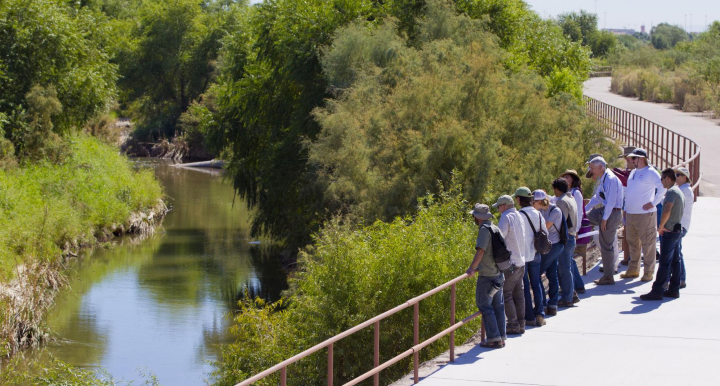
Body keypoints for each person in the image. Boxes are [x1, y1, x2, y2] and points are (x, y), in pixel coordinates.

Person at [620, 148, 666, 282]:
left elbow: (662, 186)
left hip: (645, 214)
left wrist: (654, 202)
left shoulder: (651, 172)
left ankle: (648, 272)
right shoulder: (633, 172)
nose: (631, 160)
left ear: (642, 158)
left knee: (648, 243)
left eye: (634, 158)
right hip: (631, 214)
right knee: (633, 243)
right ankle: (633, 269)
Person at [640, 169, 685, 300]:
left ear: (668, 179)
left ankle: (657, 290)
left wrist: (661, 226)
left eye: (662, 178)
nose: (661, 181)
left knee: (665, 262)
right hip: (676, 230)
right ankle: (674, 289)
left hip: (669, 232)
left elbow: (667, 209)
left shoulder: (671, 192)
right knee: (675, 262)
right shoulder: (678, 191)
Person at [465, 203, 506, 347]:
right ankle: (501, 337)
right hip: (498, 274)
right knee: (498, 306)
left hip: (487, 276)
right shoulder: (494, 227)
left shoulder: (484, 230)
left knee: (484, 305)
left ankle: (494, 338)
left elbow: (480, 251)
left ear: (477, 217)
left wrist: (471, 268)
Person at [585, 155, 624, 285]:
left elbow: (611, 201)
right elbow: (597, 198)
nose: (591, 171)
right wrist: (583, 211)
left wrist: (604, 219)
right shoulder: (604, 178)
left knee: (606, 245)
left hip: (611, 214)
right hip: (605, 212)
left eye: (592, 168)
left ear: (601, 167)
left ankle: (608, 276)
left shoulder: (611, 179)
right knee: (583, 218)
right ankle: (577, 241)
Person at [514, 187, 549, 327]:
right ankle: (540, 313)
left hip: (523, 255)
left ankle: (529, 316)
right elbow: (544, 231)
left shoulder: (518, 215)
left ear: (519, 199)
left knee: (525, 286)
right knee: (536, 283)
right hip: (536, 252)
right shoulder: (537, 213)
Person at [494, 195, 527, 334]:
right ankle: (521, 323)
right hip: (521, 261)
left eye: (499, 206)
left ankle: (513, 324)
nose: (498, 209)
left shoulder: (506, 217)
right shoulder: (519, 215)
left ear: (504, 206)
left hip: (511, 263)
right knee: (519, 294)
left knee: (506, 294)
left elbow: (499, 237)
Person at [531, 190, 564, 316]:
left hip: (554, 245)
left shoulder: (555, 211)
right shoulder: (540, 210)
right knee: (552, 273)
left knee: (537, 273)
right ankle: (552, 305)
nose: (531, 204)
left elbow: (544, 227)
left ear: (539, 201)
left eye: (533, 202)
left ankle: (544, 305)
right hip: (547, 246)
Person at [552, 178, 579, 307]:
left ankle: (567, 298)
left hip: (565, 238)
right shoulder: (571, 198)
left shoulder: (562, 201)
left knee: (564, 269)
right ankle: (571, 294)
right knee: (568, 267)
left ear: (557, 189)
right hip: (572, 235)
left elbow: (561, 221)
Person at [560, 170, 587, 294]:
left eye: (567, 177)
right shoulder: (567, 193)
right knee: (569, 258)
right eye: (564, 177)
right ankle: (578, 285)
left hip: (571, 229)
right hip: (568, 230)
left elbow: (578, 213)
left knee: (567, 259)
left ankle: (573, 287)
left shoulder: (576, 193)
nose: (565, 179)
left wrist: (576, 229)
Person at [674, 166, 693, 288]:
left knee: (676, 253)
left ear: (684, 177)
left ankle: (681, 278)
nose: (675, 177)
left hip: (679, 225)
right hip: (679, 225)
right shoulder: (681, 189)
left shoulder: (685, 191)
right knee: (676, 252)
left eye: (678, 175)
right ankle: (679, 278)